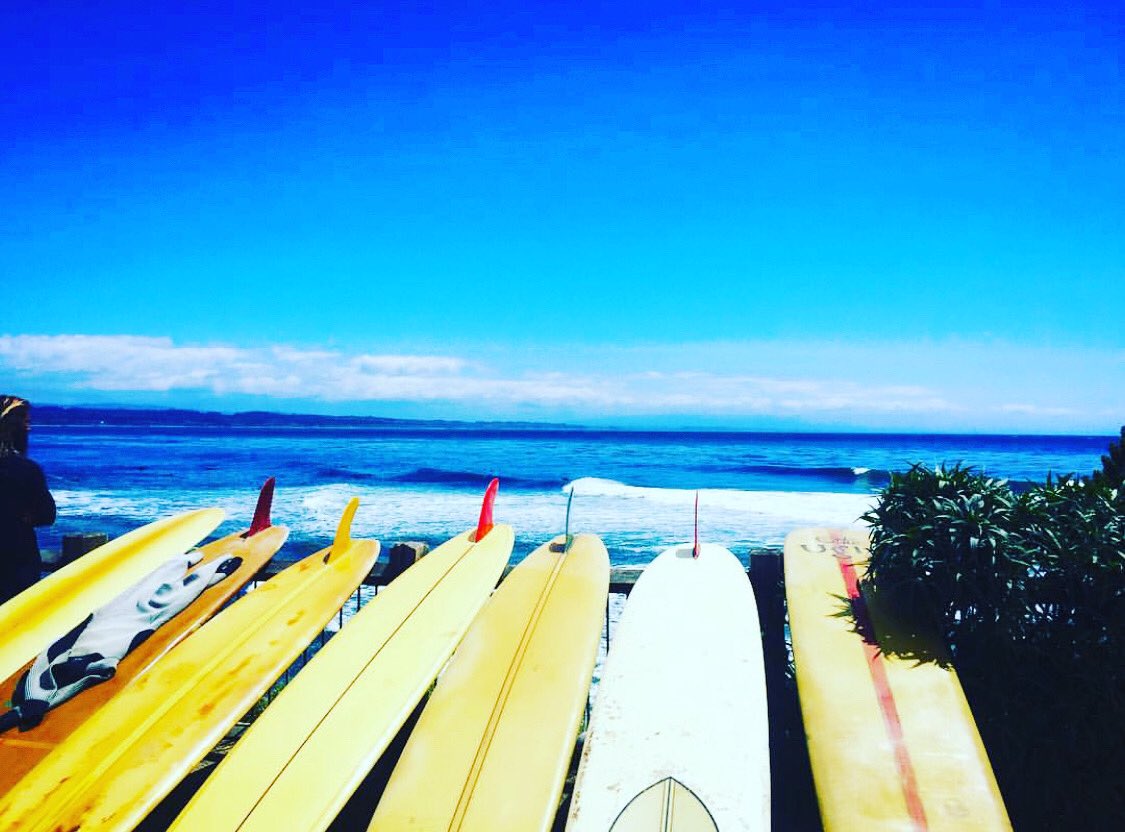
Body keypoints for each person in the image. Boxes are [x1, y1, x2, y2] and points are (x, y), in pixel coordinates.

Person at [0, 396, 56, 605]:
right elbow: (46, 514)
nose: (29, 429)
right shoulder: (25, 471)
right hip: (16, 567)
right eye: (25, 422)